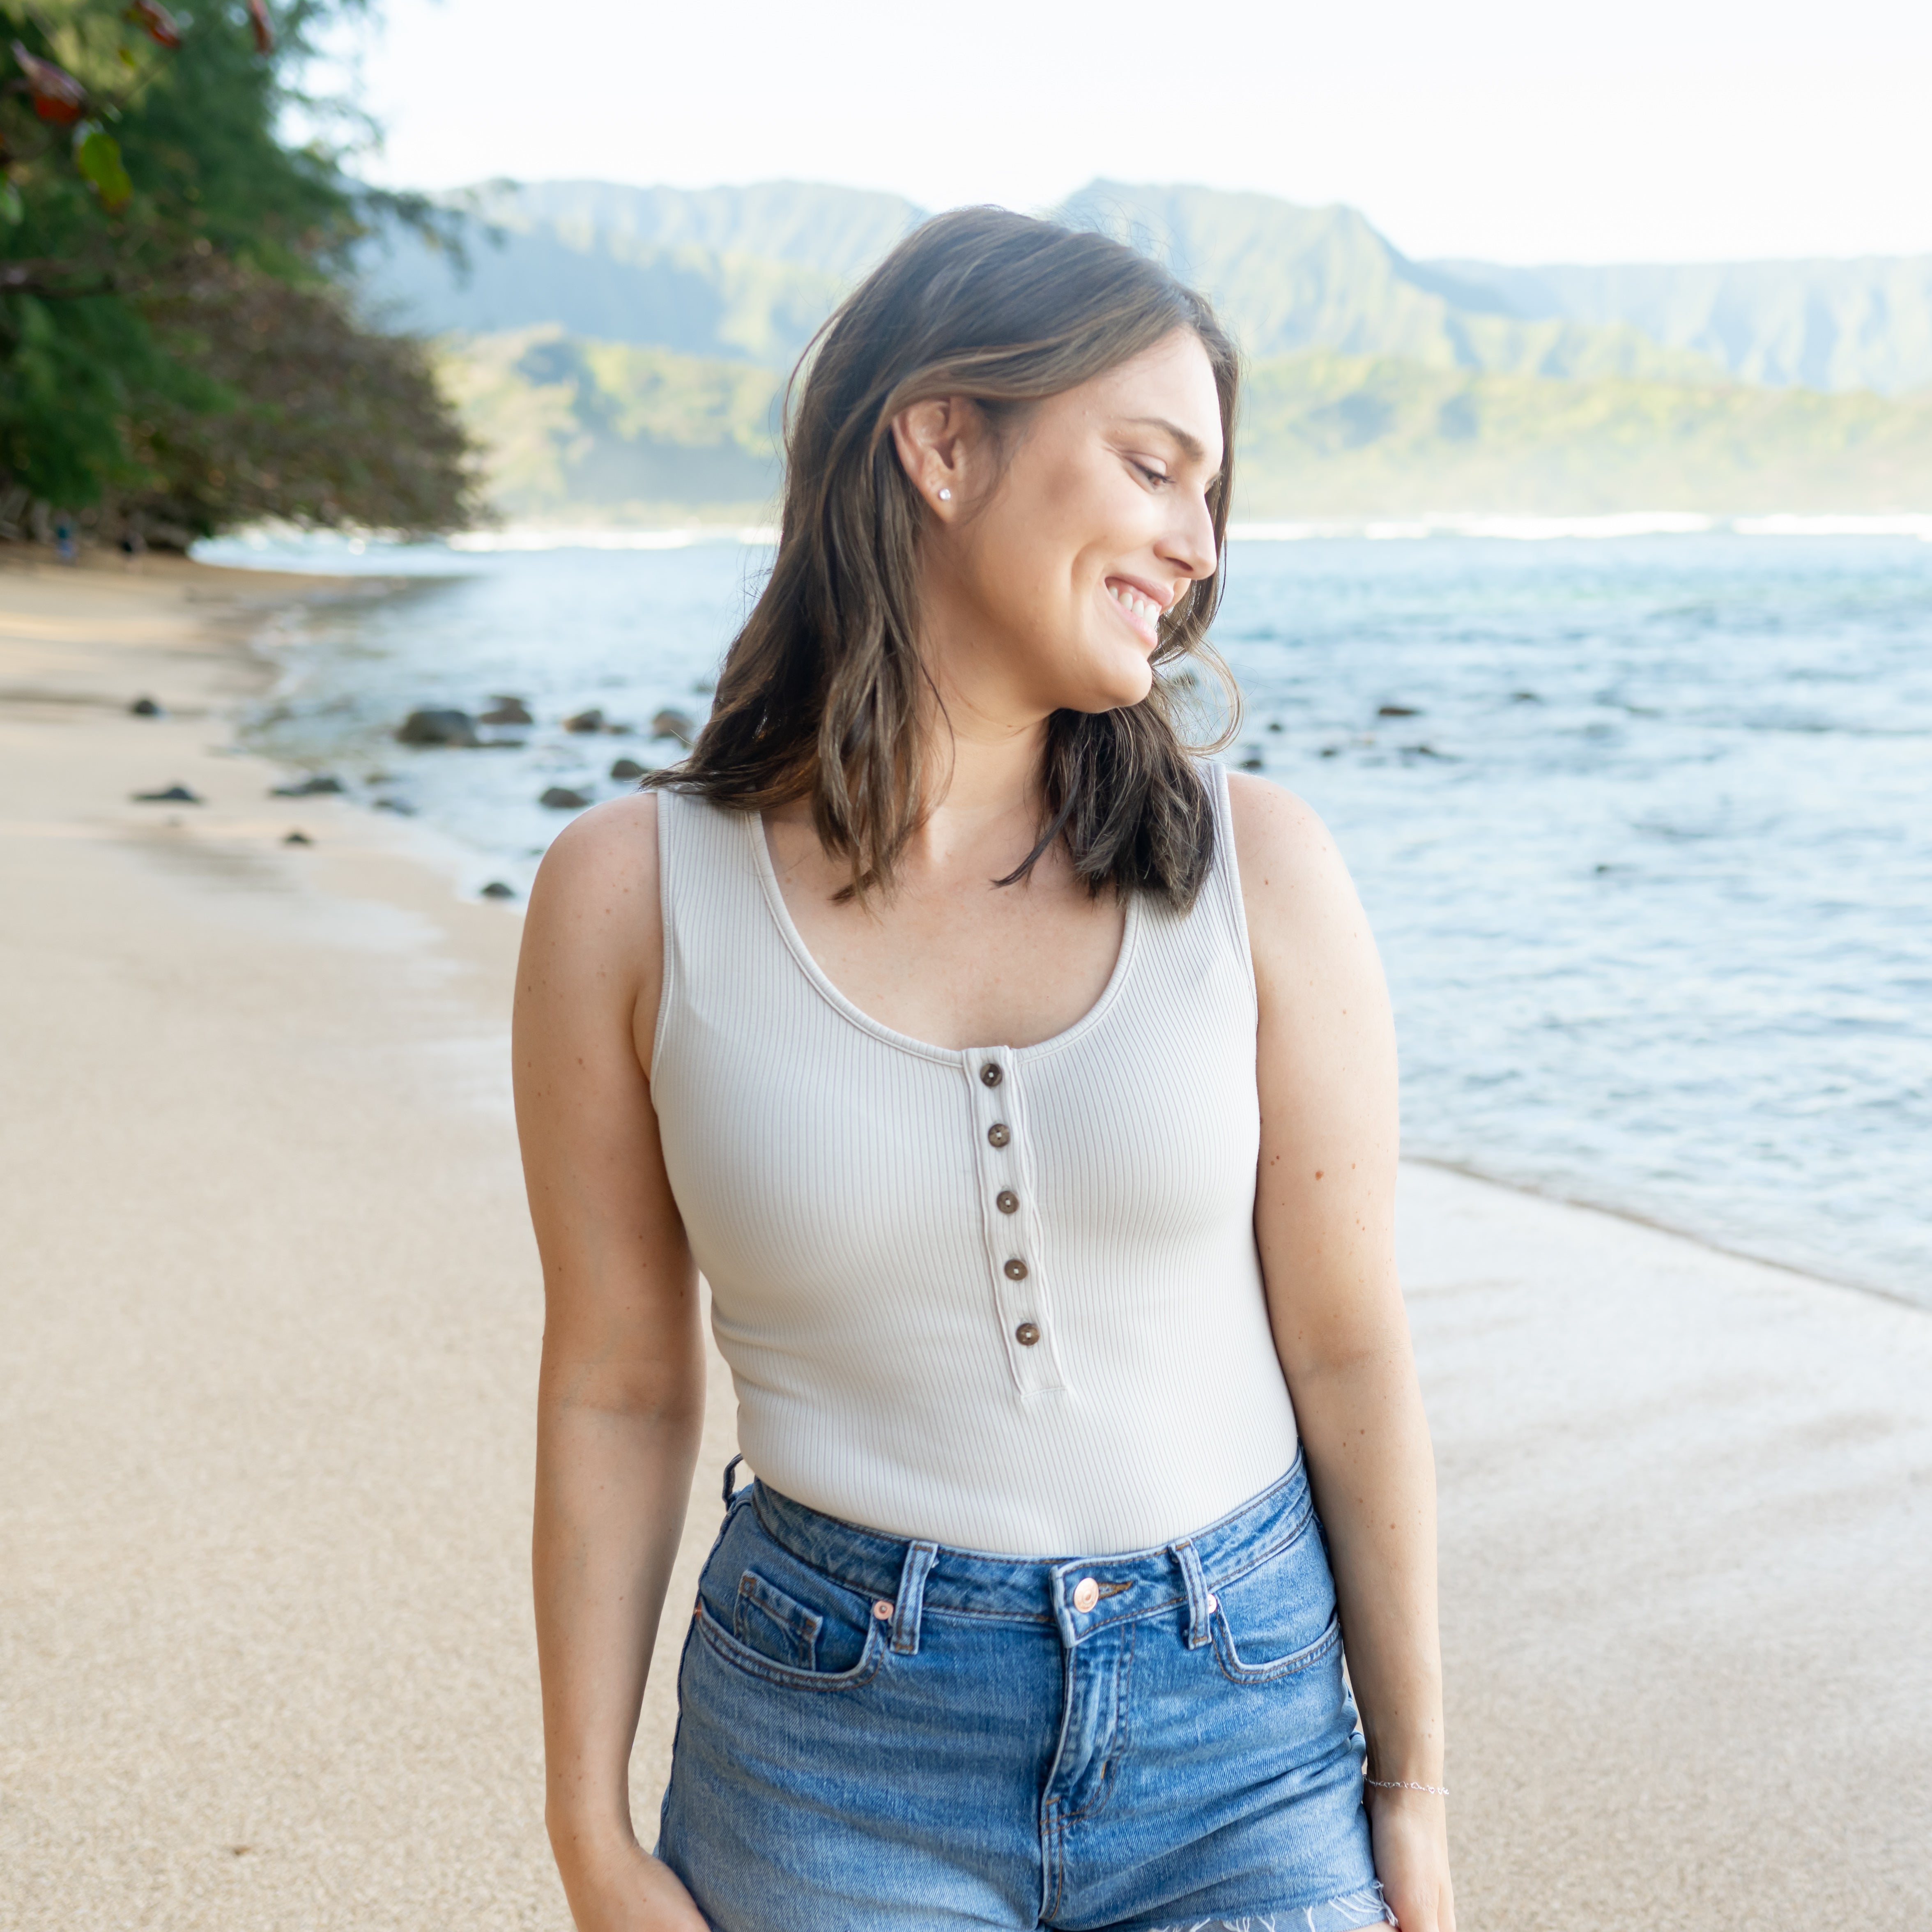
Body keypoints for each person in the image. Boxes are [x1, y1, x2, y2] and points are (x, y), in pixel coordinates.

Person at [516, 207, 1456, 1932]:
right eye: (1154, 467)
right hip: (826, 1749)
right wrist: (589, 1830)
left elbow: (1345, 1342)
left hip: (1242, 1732)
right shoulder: (626, 898)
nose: (1195, 545)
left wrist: (1415, 1798)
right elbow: (620, 1387)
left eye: (1211, 495)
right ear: (943, 443)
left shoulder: (1265, 872)